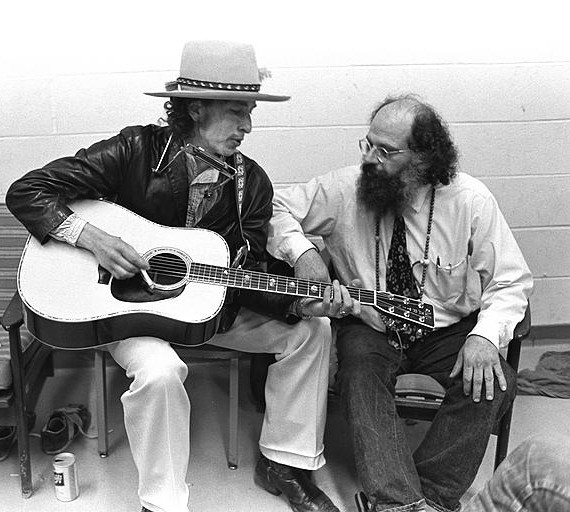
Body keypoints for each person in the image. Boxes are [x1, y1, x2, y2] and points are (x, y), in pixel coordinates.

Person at [6, 40, 341, 512]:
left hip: (211, 312)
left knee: (315, 329)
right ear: (196, 108)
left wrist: (296, 301)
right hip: (126, 311)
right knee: (162, 372)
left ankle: (284, 461)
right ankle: (162, 503)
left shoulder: (253, 184)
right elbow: (27, 191)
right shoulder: (134, 150)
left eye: (250, 111)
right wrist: (93, 239)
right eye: (235, 111)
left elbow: (245, 272)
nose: (247, 125)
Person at [267, 94, 533, 512]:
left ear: (424, 159)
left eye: (386, 151)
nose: (370, 159)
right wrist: (302, 253)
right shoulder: (343, 187)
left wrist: (485, 336)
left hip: (447, 329)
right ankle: (399, 504)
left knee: (494, 382)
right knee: (358, 376)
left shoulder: (470, 200)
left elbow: (511, 280)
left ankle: (429, 496)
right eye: (367, 144)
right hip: (371, 325)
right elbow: (276, 208)